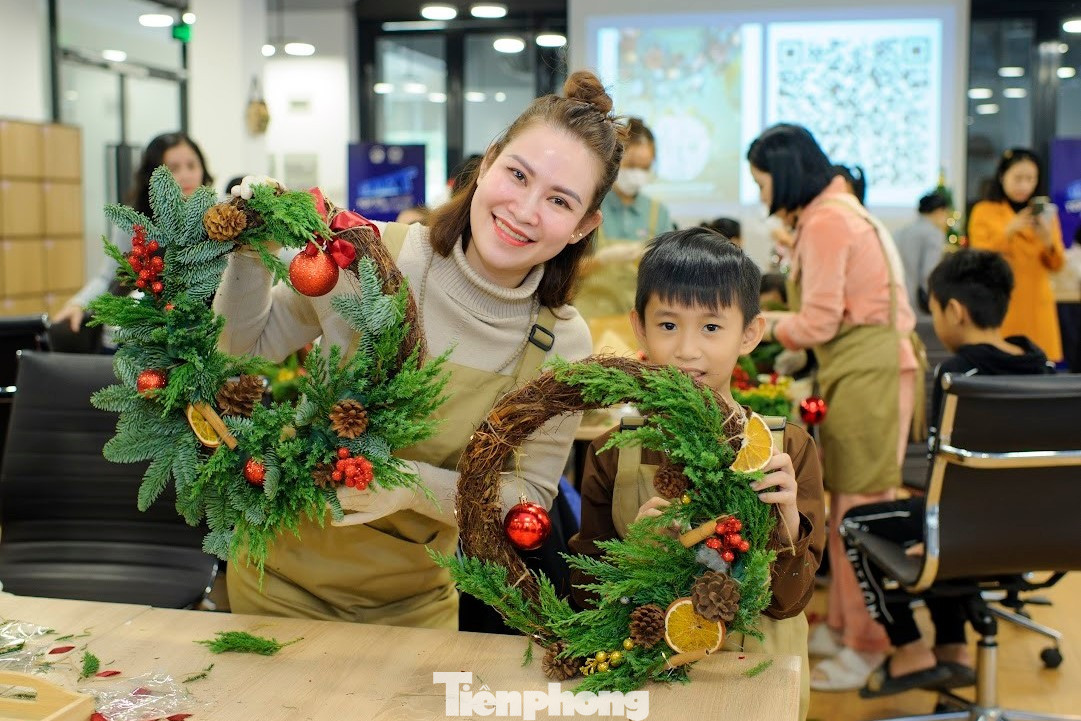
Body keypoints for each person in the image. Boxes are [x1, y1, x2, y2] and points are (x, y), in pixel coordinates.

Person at [213, 71, 625, 630]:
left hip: (415, 607)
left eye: (559, 199)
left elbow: (525, 496)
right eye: (517, 175)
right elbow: (242, 348)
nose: (525, 209)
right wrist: (249, 252)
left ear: (584, 225)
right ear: (488, 163)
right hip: (274, 581)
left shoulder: (559, 340)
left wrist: (408, 486)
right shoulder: (372, 254)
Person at [567, 229, 825, 721]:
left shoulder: (786, 449)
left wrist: (788, 522)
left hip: (757, 683)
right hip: (648, 682)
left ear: (749, 333)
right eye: (667, 324)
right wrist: (638, 556)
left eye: (711, 327)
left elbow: (790, 603)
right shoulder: (611, 452)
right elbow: (586, 593)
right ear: (638, 327)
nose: (686, 349)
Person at [748, 124, 919, 690]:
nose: (762, 194)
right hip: (862, 366)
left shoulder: (826, 220)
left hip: (869, 369)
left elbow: (818, 322)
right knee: (848, 502)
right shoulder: (836, 211)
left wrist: (756, 324)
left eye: (762, 181)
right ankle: (845, 626)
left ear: (786, 173)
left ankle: (869, 643)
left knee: (860, 510)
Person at [842, 249, 1054, 698]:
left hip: (969, 529)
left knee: (859, 522)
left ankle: (910, 650)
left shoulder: (958, 375)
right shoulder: (1047, 368)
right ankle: (954, 649)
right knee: (937, 519)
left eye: (934, 309)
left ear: (954, 311)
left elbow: (947, 476)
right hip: (1044, 535)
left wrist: (934, 531)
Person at [52, 133, 213, 336]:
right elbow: (108, 276)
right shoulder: (136, 222)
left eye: (192, 165)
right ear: (153, 176)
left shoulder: (217, 220)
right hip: (152, 329)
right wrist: (79, 303)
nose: (186, 175)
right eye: (173, 169)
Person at [968, 148, 1066, 363]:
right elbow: (978, 258)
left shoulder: (1045, 215)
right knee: (1000, 365)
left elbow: (1057, 264)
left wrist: (1048, 239)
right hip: (1001, 305)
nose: (1024, 185)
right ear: (1003, 176)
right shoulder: (984, 211)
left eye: (1030, 179)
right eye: (1018, 178)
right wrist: (1008, 231)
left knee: (1039, 370)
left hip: (1037, 304)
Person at [574, 117, 674, 320]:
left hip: (641, 322)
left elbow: (672, 275)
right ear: (614, 160)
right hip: (590, 319)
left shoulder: (657, 212)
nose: (637, 174)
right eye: (631, 165)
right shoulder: (588, 205)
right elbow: (562, 272)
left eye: (645, 167)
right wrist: (601, 260)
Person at [895, 192, 948, 314]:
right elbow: (928, 274)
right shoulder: (934, 234)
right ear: (940, 211)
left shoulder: (902, 231)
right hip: (917, 306)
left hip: (897, 299)